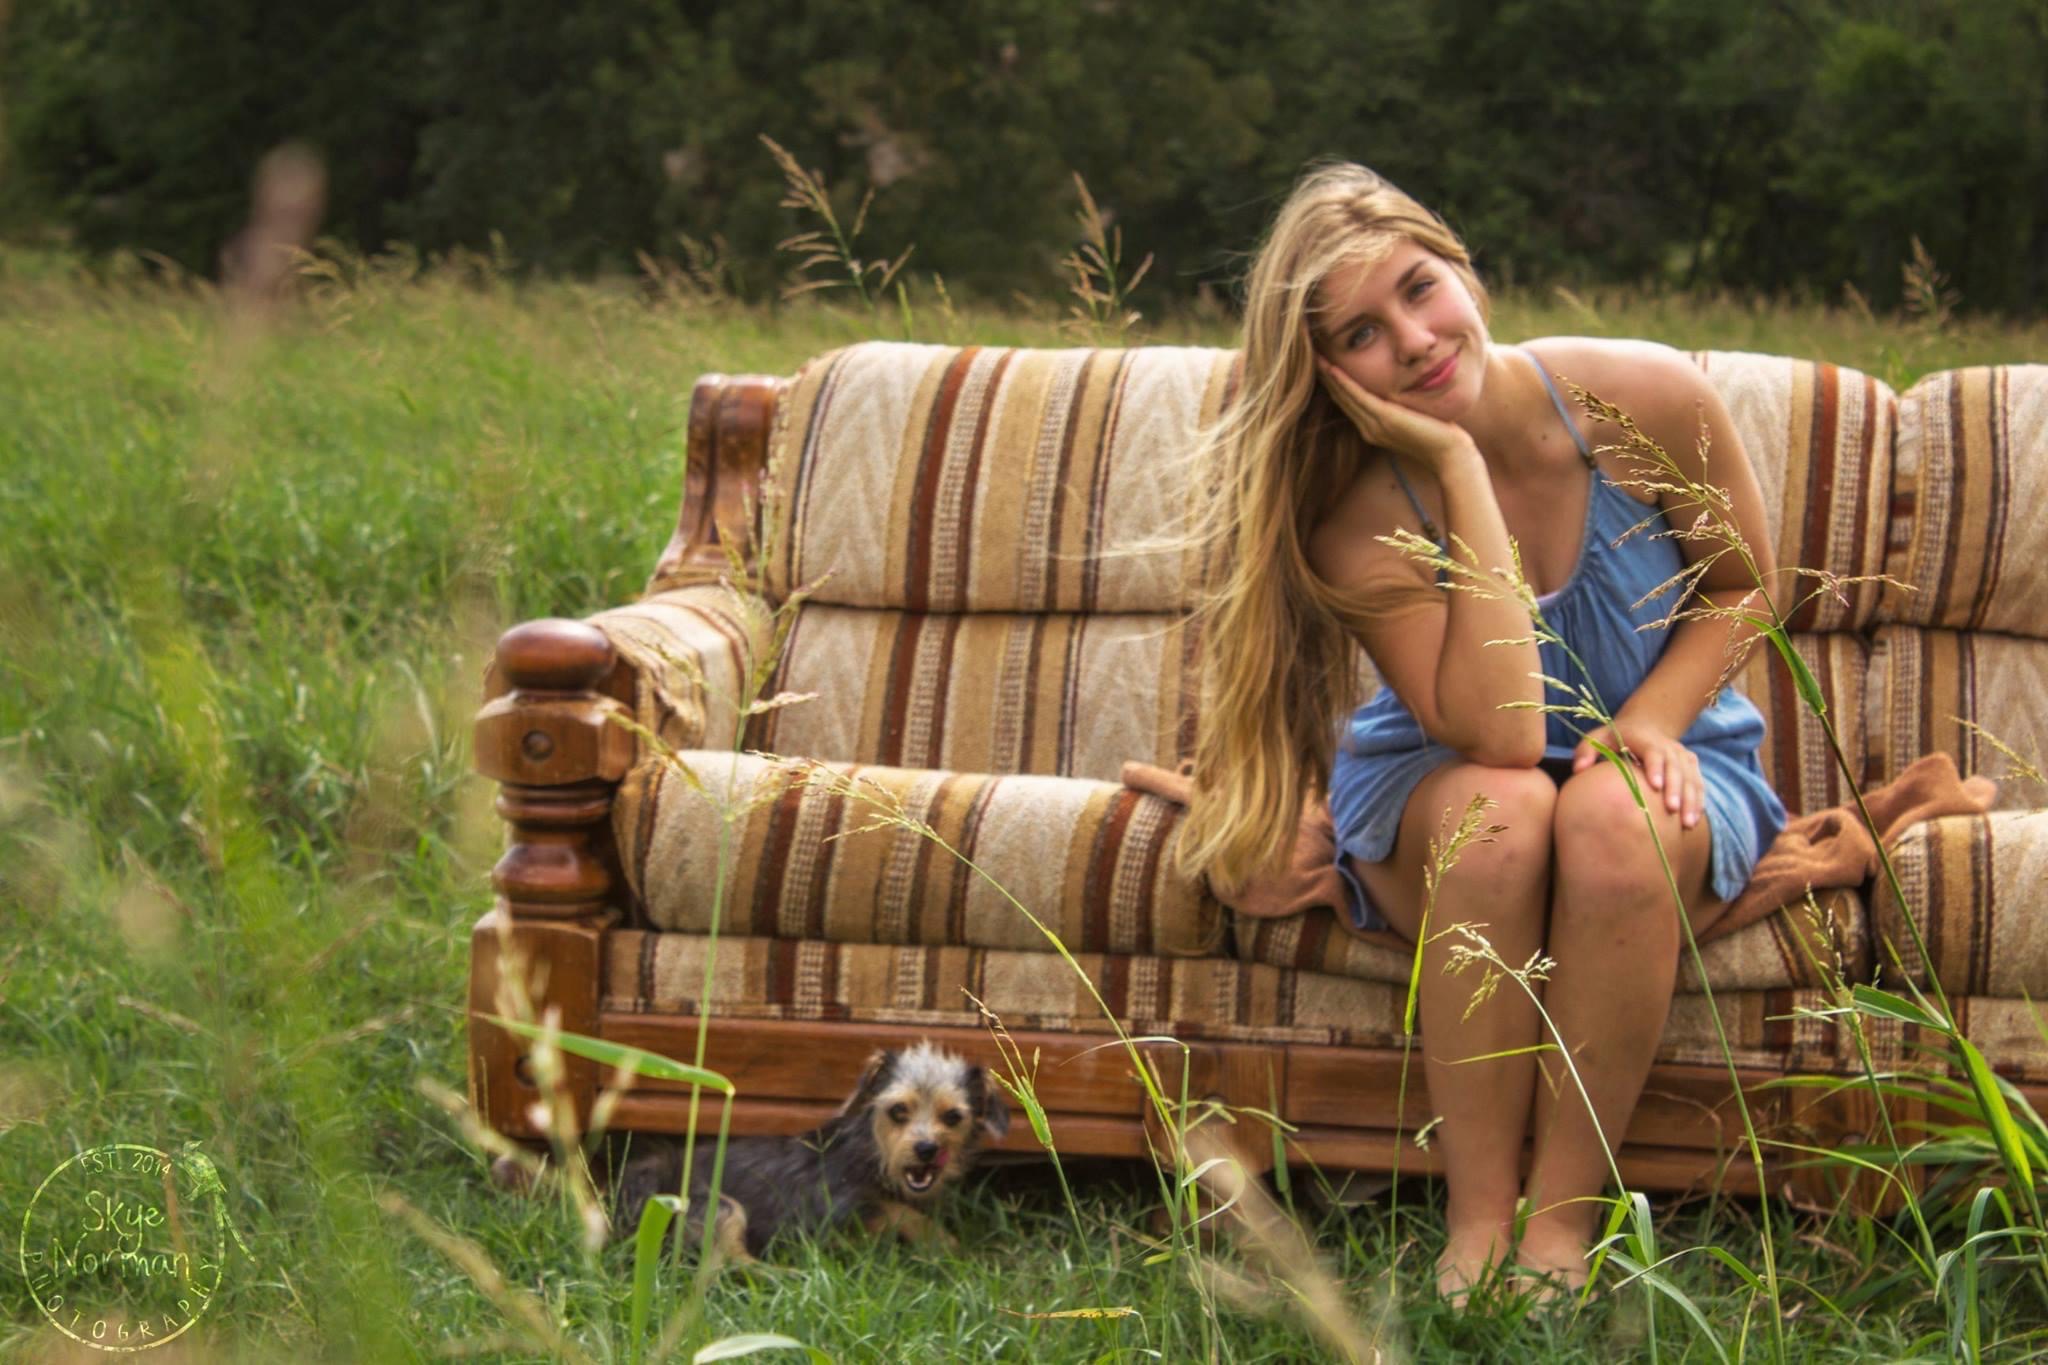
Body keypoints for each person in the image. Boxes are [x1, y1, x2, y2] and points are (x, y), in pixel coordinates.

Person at [1176, 162, 1787, 1301]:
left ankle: (1556, 1229)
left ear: (1463, 265)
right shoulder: (1356, 510)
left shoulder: (1641, 399)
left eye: (1418, 288)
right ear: (1325, 377)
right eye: (1361, 332)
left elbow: (1746, 585)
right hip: (1455, 777)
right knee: (1505, 816)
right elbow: (1502, 735)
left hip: (1665, 755)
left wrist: (1646, 723)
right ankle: (1473, 1223)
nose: (1411, 339)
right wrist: (1451, 464)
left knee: (1613, 813)